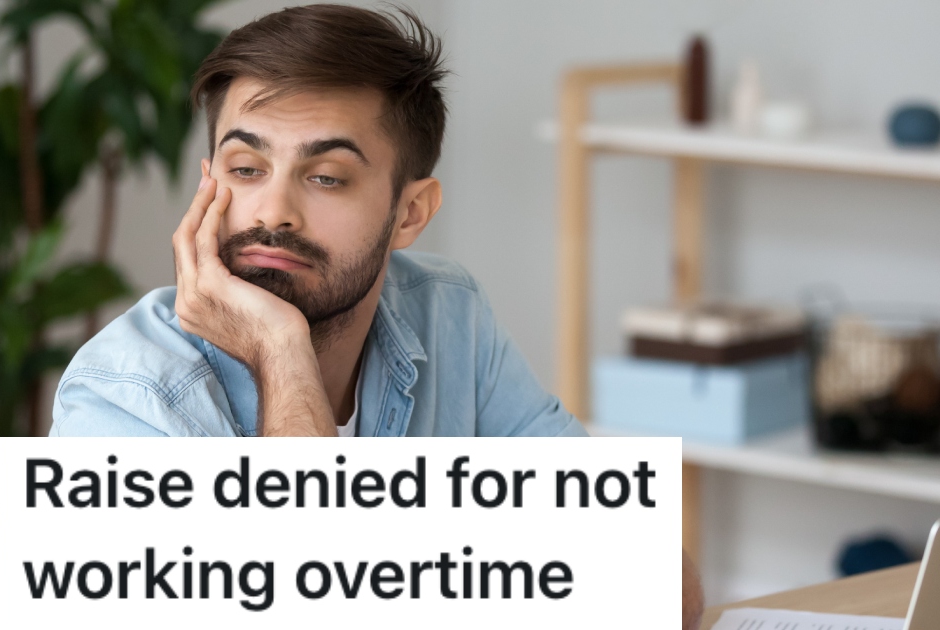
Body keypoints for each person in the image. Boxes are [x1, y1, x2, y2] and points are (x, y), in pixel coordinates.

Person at [49, 6, 702, 626]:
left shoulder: (449, 316)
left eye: (326, 177)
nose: (272, 211)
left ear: (410, 214)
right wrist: (280, 350)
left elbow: (660, 589)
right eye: (245, 168)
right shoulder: (128, 398)